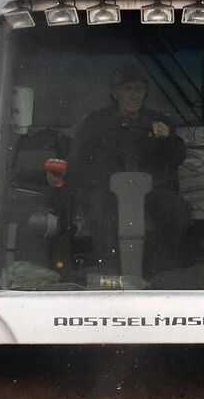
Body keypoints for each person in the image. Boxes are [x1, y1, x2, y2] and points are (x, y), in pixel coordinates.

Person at [69, 64, 191, 275]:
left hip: (150, 191)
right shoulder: (95, 122)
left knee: (176, 208)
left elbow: (178, 156)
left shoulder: (159, 121)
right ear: (115, 93)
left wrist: (167, 138)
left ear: (145, 93)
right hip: (107, 190)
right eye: (127, 89)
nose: (133, 95)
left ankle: (165, 271)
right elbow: (77, 159)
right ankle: (107, 266)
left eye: (138, 89)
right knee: (99, 208)